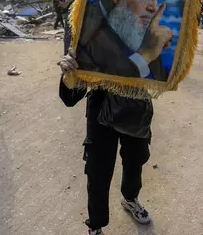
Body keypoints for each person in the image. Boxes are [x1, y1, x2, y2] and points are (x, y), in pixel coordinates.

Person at [59, 49, 153, 235]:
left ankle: (130, 198)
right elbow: (70, 98)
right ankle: (96, 224)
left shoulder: (148, 27)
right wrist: (68, 74)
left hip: (137, 105)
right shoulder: (88, 27)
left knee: (135, 160)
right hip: (101, 110)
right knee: (98, 170)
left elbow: (158, 66)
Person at [76, 0, 172, 82]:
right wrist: (145, 56)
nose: (154, 7)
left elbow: (158, 79)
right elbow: (71, 95)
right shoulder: (84, 30)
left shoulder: (145, 34)